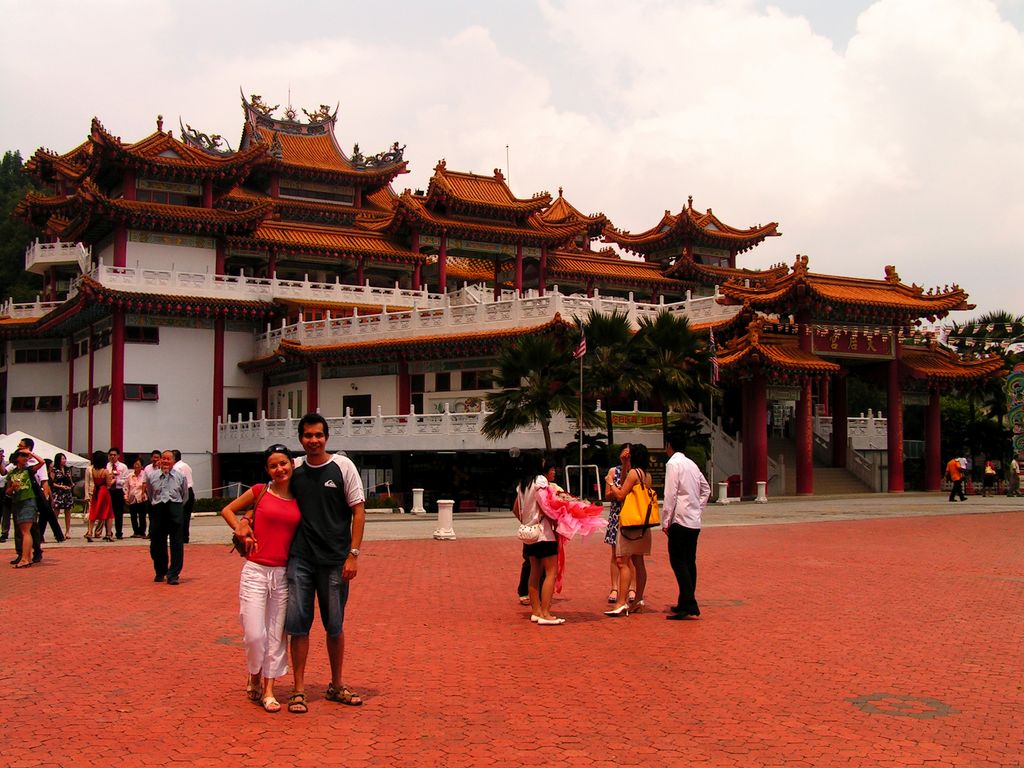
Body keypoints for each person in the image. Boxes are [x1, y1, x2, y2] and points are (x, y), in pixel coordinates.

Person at [284, 413, 366, 714]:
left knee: (334, 625)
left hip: (335, 560)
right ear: (300, 438)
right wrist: (247, 521)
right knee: (298, 625)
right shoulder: (293, 468)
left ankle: (336, 683)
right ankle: (299, 689)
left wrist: (353, 554)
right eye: (307, 435)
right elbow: (270, 497)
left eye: (318, 435)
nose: (313, 440)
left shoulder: (343, 467)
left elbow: (358, 511)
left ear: (327, 437)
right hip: (301, 559)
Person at [220, 445, 302, 714]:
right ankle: (254, 672)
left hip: (283, 574)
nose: (280, 469)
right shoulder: (260, 491)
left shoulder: (301, 496)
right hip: (255, 571)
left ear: (292, 464)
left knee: (277, 635)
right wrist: (241, 527)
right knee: (255, 634)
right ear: (267, 470)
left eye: (283, 464)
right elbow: (227, 510)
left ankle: (269, 689)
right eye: (273, 466)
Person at [662, 429, 710, 621]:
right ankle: (685, 601)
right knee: (689, 561)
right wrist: (698, 508)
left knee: (678, 561)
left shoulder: (673, 464)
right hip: (693, 520)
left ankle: (689, 603)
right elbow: (705, 488)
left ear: (669, 446)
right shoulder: (691, 464)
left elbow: (670, 494)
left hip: (679, 520)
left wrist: (666, 520)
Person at [603, 443, 654, 617]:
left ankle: (621, 602)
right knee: (638, 562)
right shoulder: (646, 475)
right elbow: (628, 484)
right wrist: (624, 465)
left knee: (622, 561)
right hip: (643, 524)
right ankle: (638, 599)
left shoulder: (634, 473)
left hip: (630, 524)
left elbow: (620, 494)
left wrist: (611, 483)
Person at [513, 451, 563, 626]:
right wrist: (560, 515)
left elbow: (517, 509)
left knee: (534, 572)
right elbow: (546, 505)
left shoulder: (522, 485)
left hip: (529, 533)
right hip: (543, 533)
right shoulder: (540, 481)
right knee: (551, 572)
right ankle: (546, 612)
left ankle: (536, 611)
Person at [146, 450, 188, 585]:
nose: (165, 461)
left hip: (174, 508)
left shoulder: (180, 477)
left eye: (168, 459)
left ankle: (173, 574)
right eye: (163, 459)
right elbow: (150, 493)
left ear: (173, 462)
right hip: (158, 509)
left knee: (176, 542)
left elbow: (185, 496)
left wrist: (177, 507)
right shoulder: (152, 476)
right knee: (157, 542)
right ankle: (160, 571)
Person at [603, 444, 637, 606]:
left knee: (632, 556)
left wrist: (618, 491)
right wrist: (616, 492)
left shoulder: (636, 472)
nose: (627, 457)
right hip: (617, 515)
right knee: (615, 554)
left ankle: (632, 587)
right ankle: (614, 587)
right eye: (624, 454)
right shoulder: (613, 471)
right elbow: (608, 495)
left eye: (629, 455)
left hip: (632, 516)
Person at [6, 451, 39, 568]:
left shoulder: (28, 470)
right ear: (16, 458)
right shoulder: (12, 473)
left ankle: (25, 558)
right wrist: (12, 488)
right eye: (22, 456)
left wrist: (30, 453)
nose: (25, 458)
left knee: (26, 531)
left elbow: (42, 462)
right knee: (24, 531)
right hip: (18, 501)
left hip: (28, 500)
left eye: (26, 456)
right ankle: (28, 557)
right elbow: (8, 491)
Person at [85, 451, 114, 542]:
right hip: (104, 491)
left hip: (96, 491)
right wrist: (113, 479)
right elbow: (109, 484)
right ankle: (109, 534)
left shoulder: (93, 470)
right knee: (108, 513)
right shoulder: (105, 471)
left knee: (93, 511)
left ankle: (90, 532)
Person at [50, 453, 75, 539]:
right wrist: (61, 486)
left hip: (67, 492)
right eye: (62, 459)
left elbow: (70, 480)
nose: (64, 460)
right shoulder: (54, 470)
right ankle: (56, 531)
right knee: (56, 511)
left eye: (65, 458)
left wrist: (71, 485)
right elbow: (51, 483)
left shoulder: (68, 469)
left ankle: (67, 531)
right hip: (58, 492)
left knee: (68, 512)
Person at [172, 450, 195, 544]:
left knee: (180, 515)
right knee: (186, 516)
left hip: (183, 491)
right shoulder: (186, 465)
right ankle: (185, 536)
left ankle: (181, 537)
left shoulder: (177, 468)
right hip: (189, 491)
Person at [107, 448, 128, 539]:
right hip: (109, 491)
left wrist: (116, 480)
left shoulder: (123, 466)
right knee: (108, 512)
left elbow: (125, 480)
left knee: (119, 513)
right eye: (111, 454)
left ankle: (119, 532)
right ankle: (108, 532)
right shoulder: (107, 466)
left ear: (118, 456)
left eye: (114, 455)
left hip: (118, 490)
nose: (112, 456)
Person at [125, 457, 149, 538]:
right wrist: (126, 497)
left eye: (138, 465)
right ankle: (135, 531)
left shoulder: (145, 475)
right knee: (133, 516)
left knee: (142, 516)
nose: (136, 466)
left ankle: (142, 532)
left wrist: (144, 493)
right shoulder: (130, 476)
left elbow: (146, 485)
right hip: (132, 498)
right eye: (135, 464)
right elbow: (126, 487)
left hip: (141, 498)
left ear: (142, 466)